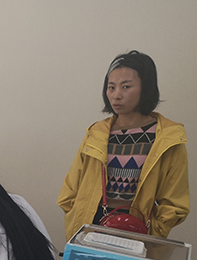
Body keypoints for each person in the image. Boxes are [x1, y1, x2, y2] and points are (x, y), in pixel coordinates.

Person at [58, 50, 190, 242]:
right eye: (111, 87)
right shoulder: (97, 133)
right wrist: (76, 219)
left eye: (126, 86)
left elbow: (175, 203)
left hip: (136, 229)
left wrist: (153, 234)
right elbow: (70, 190)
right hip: (91, 226)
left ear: (146, 88)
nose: (116, 95)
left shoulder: (168, 137)